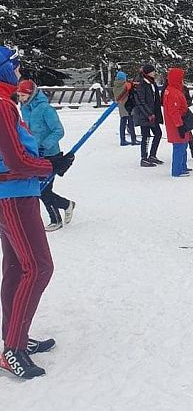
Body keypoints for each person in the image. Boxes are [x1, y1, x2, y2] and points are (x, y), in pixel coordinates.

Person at [0, 45, 74, 379]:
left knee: (17, 266)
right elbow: (15, 161)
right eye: (13, 67)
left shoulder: (7, 103)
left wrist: (49, 166)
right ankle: (12, 349)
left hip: (15, 193)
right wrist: (50, 164)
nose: (18, 73)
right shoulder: (3, 105)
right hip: (14, 197)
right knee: (39, 267)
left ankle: (14, 336)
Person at [16, 79, 76, 230]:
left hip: (50, 155)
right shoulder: (25, 108)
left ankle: (57, 217)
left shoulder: (45, 109)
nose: (21, 99)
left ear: (31, 94)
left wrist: (44, 145)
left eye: (23, 95)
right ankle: (66, 206)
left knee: (43, 188)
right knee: (40, 188)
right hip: (34, 154)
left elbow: (59, 131)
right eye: (19, 95)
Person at [162, 68, 192, 177]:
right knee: (179, 146)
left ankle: (182, 166)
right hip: (176, 124)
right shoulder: (173, 92)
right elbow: (174, 111)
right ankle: (177, 170)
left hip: (179, 122)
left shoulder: (172, 89)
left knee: (183, 145)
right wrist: (179, 125)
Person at [132, 64, 164, 167]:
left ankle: (152, 155)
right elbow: (140, 101)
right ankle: (144, 158)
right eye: (152, 71)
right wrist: (149, 113)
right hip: (144, 114)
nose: (154, 73)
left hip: (153, 113)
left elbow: (154, 98)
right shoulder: (141, 83)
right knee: (145, 136)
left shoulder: (151, 82)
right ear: (148, 72)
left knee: (158, 134)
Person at [113, 71, 139, 146]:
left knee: (122, 123)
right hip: (128, 106)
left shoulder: (115, 86)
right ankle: (133, 139)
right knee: (131, 123)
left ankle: (122, 140)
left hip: (121, 107)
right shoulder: (126, 85)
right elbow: (133, 87)